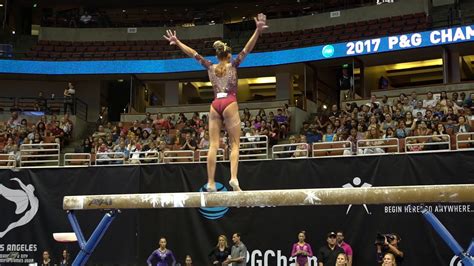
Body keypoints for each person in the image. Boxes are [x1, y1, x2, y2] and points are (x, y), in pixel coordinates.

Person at [164, 13, 268, 192]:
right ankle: (234, 178)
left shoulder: (210, 66)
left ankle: (210, 182)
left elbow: (193, 54)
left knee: (213, 145)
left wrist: (178, 41)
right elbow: (247, 49)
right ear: (228, 55)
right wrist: (257, 31)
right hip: (229, 101)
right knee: (235, 144)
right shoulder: (234, 65)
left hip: (214, 105)